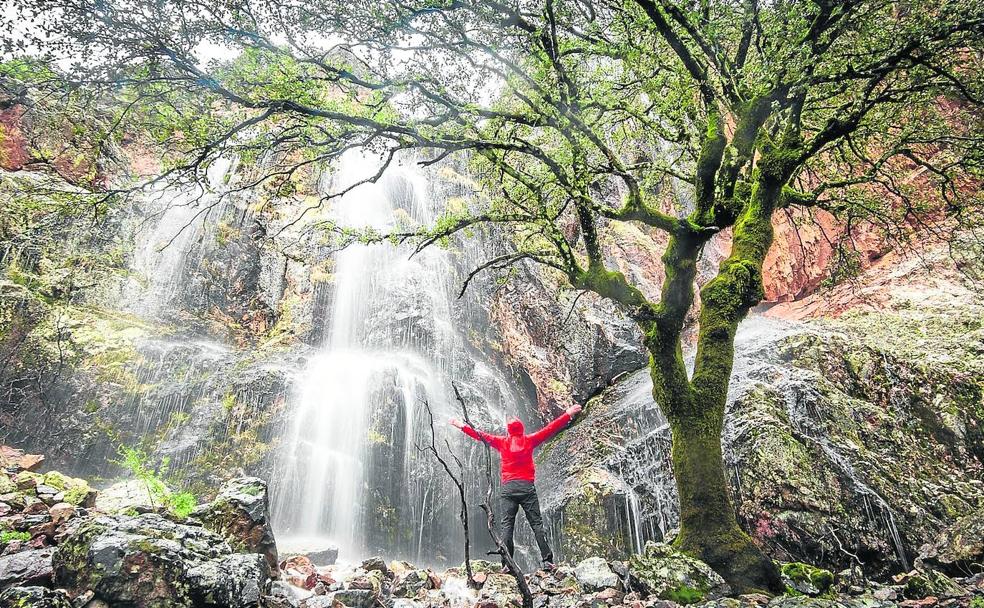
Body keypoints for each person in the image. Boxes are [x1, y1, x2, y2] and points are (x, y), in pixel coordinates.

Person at [450, 404, 582, 570]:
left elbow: (479, 435)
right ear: (522, 429)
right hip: (527, 488)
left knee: (507, 526)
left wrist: (460, 425)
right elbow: (550, 428)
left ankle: (507, 564)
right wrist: (568, 414)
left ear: (509, 431)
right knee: (537, 525)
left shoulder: (501, 442)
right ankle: (547, 561)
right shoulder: (530, 440)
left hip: (508, 489)